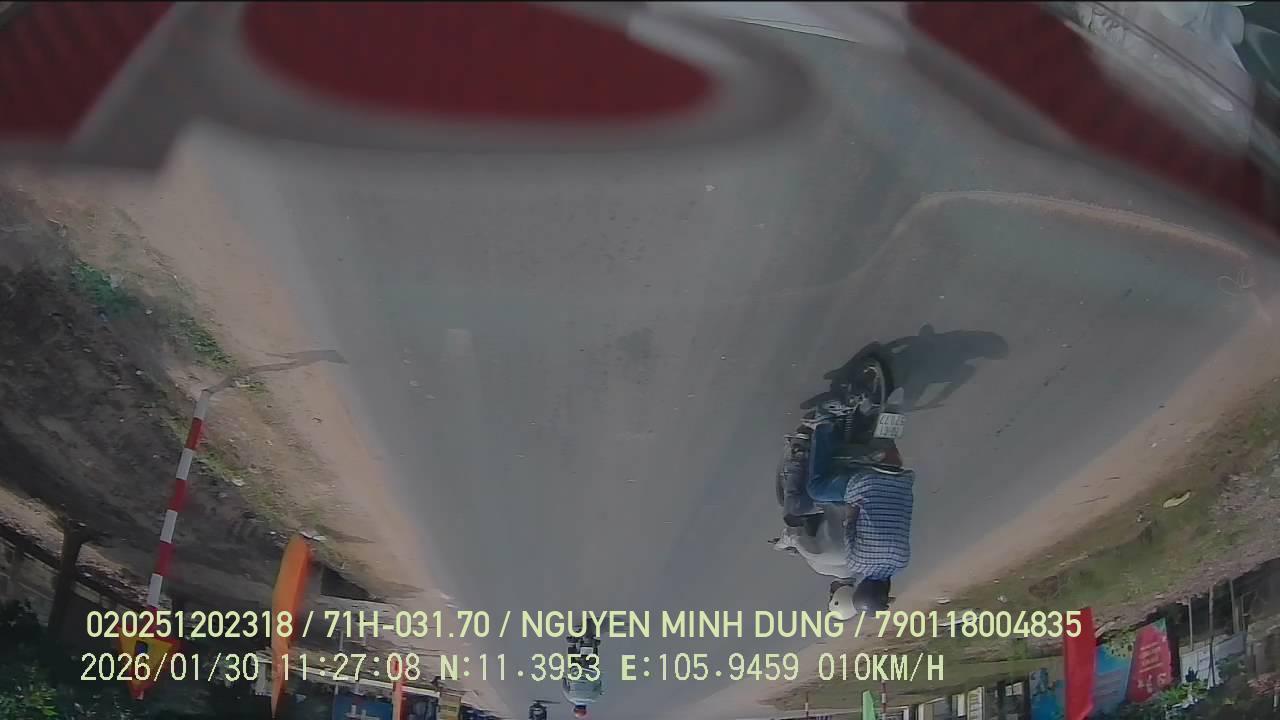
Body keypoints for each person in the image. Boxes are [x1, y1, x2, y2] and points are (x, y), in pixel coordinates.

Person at [778, 409, 914, 619]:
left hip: (902, 483)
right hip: (865, 484)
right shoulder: (856, 562)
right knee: (817, 489)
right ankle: (822, 426)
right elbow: (851, 519)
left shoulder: (901, 563)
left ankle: (873, 426)